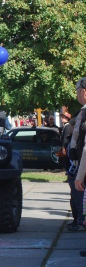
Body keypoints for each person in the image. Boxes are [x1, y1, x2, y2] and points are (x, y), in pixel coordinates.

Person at [67, 78, 86, 234]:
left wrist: (80, 175)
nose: (77, 95)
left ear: (84, 92)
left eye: (78, 91)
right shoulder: (83, 112)